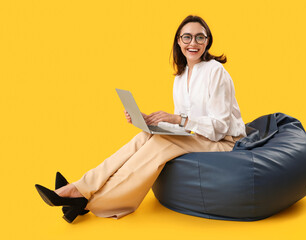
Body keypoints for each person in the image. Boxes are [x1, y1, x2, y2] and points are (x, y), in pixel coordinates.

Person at [35, 15, 247, 223]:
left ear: (207, 41)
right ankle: (81, 186)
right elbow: (184, 123)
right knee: (144, 135)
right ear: (178, 41)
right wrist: (150, 122)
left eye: (200, 37)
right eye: (187, 37)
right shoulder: (181, 77)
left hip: (224, 143)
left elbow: (219, 127)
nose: (193, 43)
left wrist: (174, 119)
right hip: (201, 138)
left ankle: (88, 201)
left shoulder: (216, 71)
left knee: (160, 142)